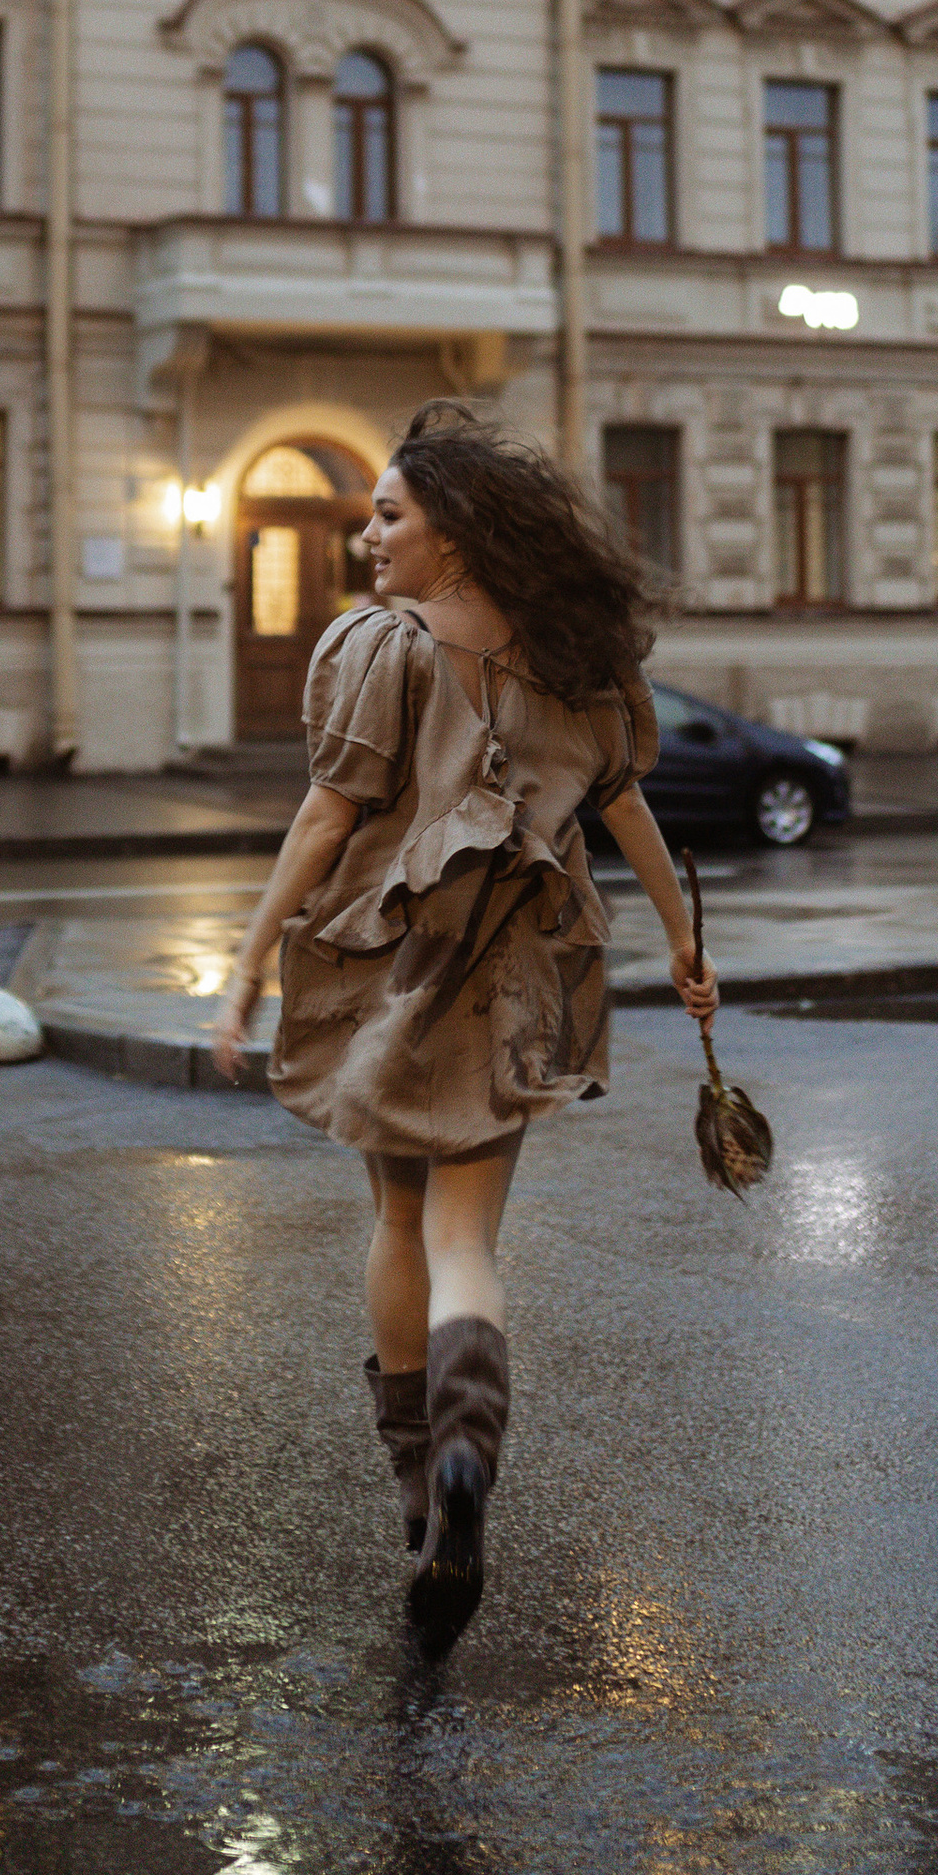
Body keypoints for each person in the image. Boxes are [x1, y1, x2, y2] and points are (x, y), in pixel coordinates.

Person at [210, 400, 719, 1659]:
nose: (368, 537)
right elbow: (627, 814)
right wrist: (683, 942)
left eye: (390, 516)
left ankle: (415, 1488)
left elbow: (326, 822)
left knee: (395, 1218)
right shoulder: (573, 663)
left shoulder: (381, 650)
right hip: (523, 971)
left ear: (458, 536)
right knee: (468, 1239)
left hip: (397, 969)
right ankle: (465, 1462)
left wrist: (245, 962)